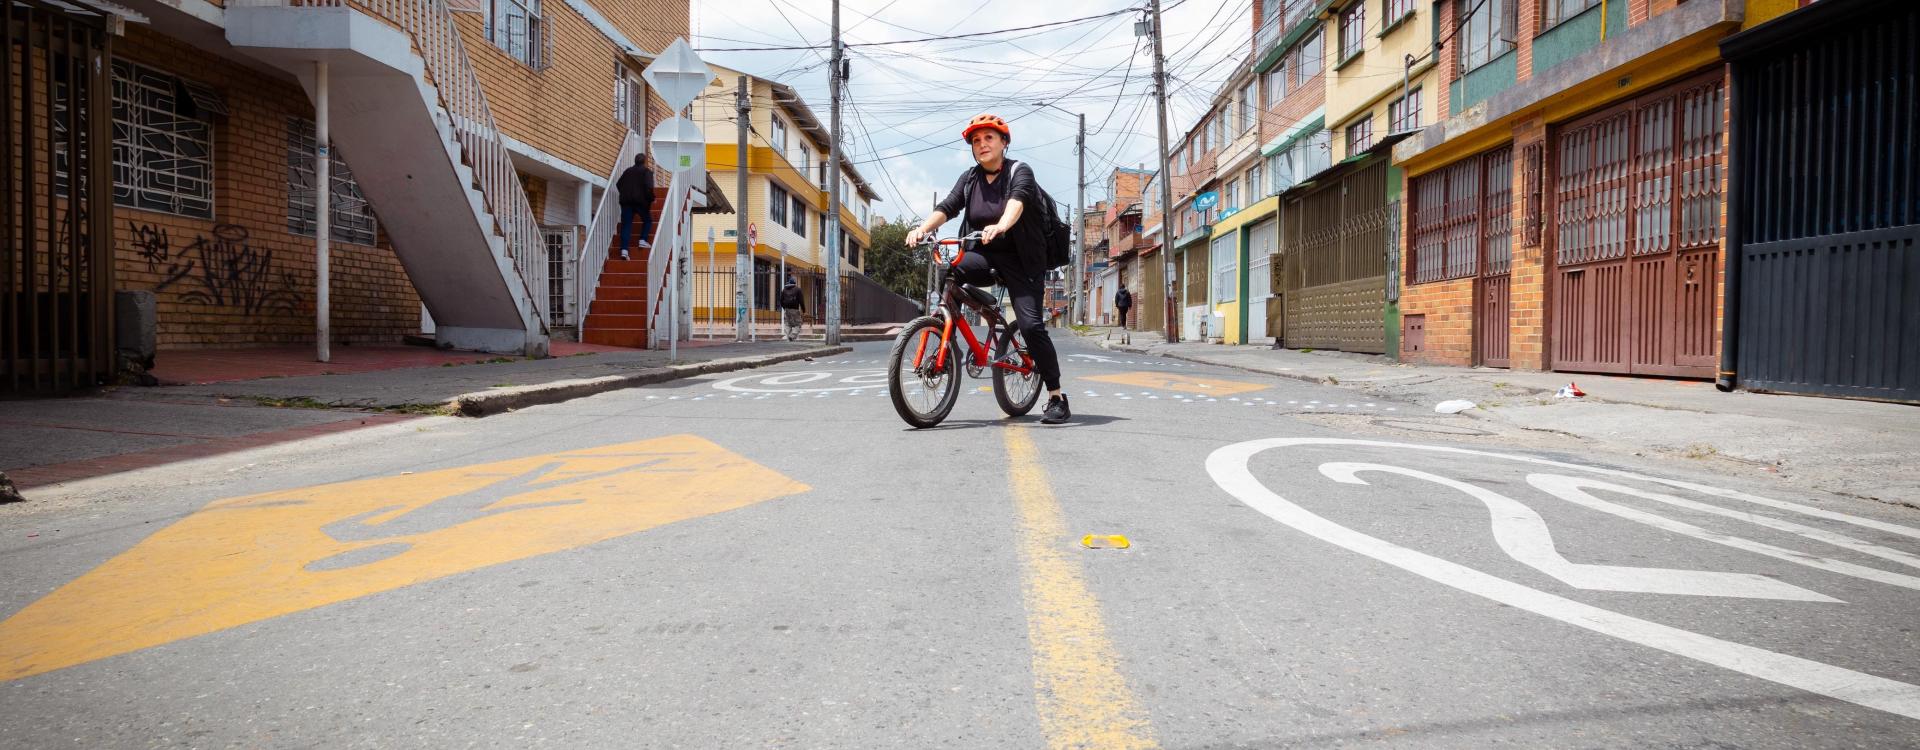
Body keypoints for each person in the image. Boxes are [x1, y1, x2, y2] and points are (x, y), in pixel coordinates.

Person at [905, 114, 1070, 424]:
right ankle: (948, 335)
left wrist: (1002, 225)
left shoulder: (1020, 171)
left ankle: (1056, 397)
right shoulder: (970, 179)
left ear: (1004, 142)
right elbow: (949, 206)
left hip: (1023, 260)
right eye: (976, 141)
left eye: (989, 138)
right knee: (950, 271)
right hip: (984, 256)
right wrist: (922, 229)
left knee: (1031, 326)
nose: (982, 144)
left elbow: (1017, 202)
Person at [615, 154, 656, 260]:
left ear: (635, 161)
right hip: (640, 202)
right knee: (647, 220)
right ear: (645, 161)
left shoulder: (627, 171)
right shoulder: (646, 172)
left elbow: (618, 184)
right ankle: (642, 240)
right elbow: (649, 187)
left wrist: (625, 193)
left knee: (626, 225)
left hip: (626, 203)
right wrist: (652, 198)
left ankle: (624, 250)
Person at [779, 275, 804, 341]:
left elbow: (781, 301)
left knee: (788, 323)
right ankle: (792, 335)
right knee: (798, 324)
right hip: (795, 309)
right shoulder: (798, 289)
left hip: (787, 309)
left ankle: (788, 336)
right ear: (795, 283)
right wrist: (803, 310)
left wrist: (784, 308)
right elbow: (801, 301)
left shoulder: (784, 290)